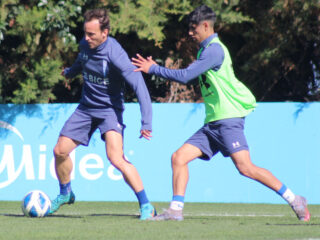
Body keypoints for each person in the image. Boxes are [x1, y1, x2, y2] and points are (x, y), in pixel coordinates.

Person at [132, 5, 310, 221]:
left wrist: (154, 69)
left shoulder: (214, 50)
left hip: (228, 119)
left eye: (193, 28)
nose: (190, 32)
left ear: (205, 25)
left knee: (245, 168)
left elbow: (186, 76)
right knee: (179, 158)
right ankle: (175, 211)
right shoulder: (204, 50)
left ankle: (294, 199)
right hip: (213, 122)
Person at [50, 8, 156, 220]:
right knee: (60, 151)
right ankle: (65, 193)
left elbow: (138, 85)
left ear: (105, 33)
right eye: (85, 33)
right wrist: (69, 73)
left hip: (110, 111)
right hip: (86, 108)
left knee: (116, 158)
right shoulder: (84, 45)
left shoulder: (115, 54)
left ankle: (146, 205)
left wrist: (147, 122)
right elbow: (81, 62)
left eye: (92, 34)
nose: (86, 38)